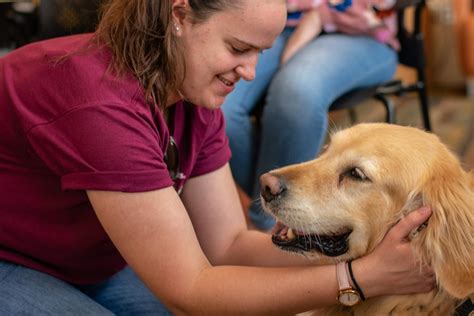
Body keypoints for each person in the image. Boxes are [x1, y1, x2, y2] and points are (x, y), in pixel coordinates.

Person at [0, 0, 434, 314]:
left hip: (88, 259)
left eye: (260, 54)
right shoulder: (101, 104)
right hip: (12, 259)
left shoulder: (192, 94)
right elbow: (190, 288)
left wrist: (368, 253)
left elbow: (227, 244)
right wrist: (358, 279)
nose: (249, 73)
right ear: (180, 15)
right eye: (238, 48)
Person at [222, 0, 400, 231]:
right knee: (217, 102)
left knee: (297, 91)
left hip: (360, 30)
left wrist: (321, 15)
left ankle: (270, 225)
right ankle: (276, 207)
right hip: (273, 23)